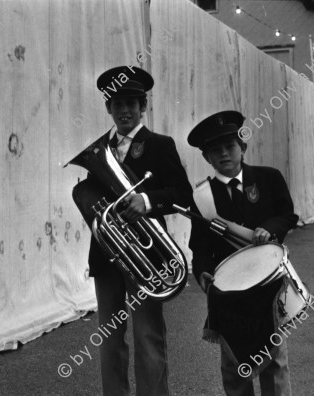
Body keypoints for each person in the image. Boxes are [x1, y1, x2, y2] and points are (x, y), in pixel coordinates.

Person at [83, 66, 193, 396]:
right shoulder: (98, 149)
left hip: (146, 254)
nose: (125, 111)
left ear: (143, 106)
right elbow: (90, 201)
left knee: (148, 335)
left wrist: (146, 200)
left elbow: (182, 194)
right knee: (108, 338)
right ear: (108, 109)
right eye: (118, 104)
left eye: (131, 103)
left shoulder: (159, 145)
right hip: (107, 254)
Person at [186, 110, 299, 396]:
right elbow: (199, 246)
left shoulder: (268, 178)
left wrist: (267, 228)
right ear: (206, 157)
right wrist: (201, 271)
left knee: (274, 360)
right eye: (215, 150)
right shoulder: (202, 196)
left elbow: (288, 215)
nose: (224, 154)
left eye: (229, 147)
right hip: (229, 290)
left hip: (267, 284)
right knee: (235, 364)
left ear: (243, 148)